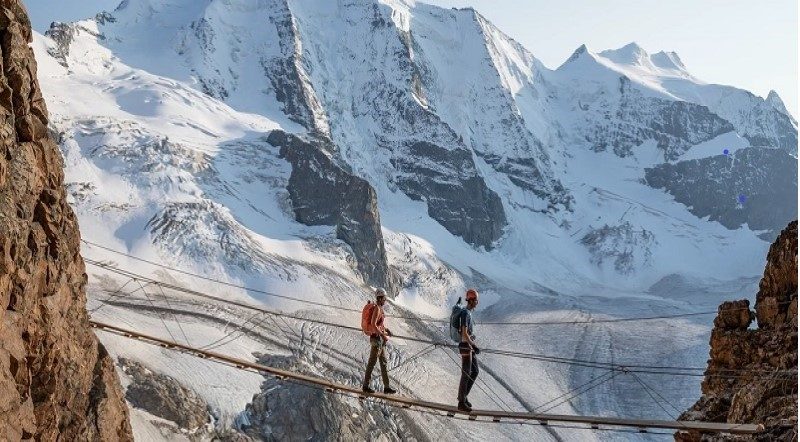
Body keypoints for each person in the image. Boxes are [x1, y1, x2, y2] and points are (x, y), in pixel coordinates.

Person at [362, 288, 397, 395]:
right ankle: (365, 386)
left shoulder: (380, 309)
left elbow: (379, 324)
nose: (385, 300)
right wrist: (383, 335)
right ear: (380, 298)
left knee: (383, 363)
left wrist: (386, 330)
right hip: (376, 339)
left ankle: (386, 387)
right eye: (384, 298)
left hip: (379, 340)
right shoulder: (377, 308)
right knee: (372, 363)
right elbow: (373, 324)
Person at [457, 288, 480, 411]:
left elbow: (467, 333)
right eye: (476, 300)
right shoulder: (465, 313)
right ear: (471, 300)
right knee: (466, 374)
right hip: (466, 346)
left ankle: (464, 397)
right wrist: (473, 345)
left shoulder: (468, 313)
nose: (477, 302)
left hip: (468, 345)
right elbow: (464, 333)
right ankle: (461, 402)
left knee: (475, 371)